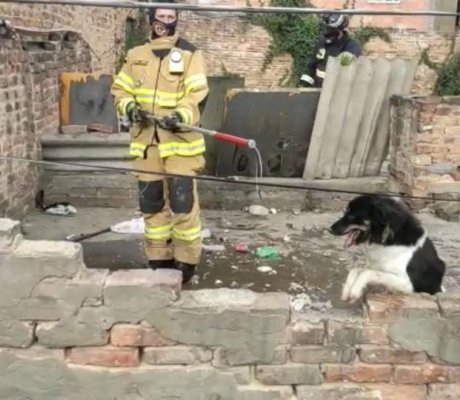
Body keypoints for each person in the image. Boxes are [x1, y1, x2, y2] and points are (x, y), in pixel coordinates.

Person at [111, 0, 209, 284]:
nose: (165, 20)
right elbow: (120, 90)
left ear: (177, 20)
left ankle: (187, 261)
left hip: (180, 143)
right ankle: (158, 257)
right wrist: (128, 107)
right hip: (146, 143)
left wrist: (180, 114)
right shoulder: (136, 54)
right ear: (150, 18)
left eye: (171, 16)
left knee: (182, 205)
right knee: (151, 204)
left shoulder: (190, 54)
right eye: (161, 15)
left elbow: (198, 92)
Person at [299, 13, 362, 88]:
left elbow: (351, 70)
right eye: (325, 28)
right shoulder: (322, 43)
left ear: (339, 30)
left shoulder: (351, 47)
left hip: (337, 92)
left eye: (329, 29)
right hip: (318, 90)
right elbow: (311, 65)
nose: (326, 32)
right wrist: (303, 85)